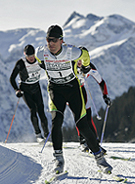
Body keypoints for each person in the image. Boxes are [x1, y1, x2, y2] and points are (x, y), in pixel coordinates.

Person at [35, 25, 112, 174]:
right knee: (56, 122)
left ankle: (100, 159)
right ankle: (58, 160)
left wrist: (87, 66)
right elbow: (39, 60)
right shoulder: (41, 52)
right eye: (48, 40)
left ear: (61, 41)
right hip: (55, 90)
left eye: (54, 40)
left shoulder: (72, 52)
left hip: (73, 89)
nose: (50, 43)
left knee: (83, 125)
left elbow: (85, 54)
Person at [10, 44, 49, 143]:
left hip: (36, 87)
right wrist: (16, 90)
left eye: (32, 56)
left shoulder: (39, 60)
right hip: (25, 89)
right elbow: (12, 78)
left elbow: (48, 68)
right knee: (33, 109)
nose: (31, 58)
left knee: (41, 111)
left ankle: (47, 135)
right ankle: (38, 135)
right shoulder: (21, 63)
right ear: (25, 55)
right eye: (29, 56)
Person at [76, 46, 113, 153]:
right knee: (79, 116)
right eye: (78, 59)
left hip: (82, 90)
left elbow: (101, 82)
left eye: (82, 60)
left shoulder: (90, 67)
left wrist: (105, 96)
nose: (79, 62)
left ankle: (95, 142)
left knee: (88, 116)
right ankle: (82, 142)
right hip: (71, 92)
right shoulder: (70, 65)